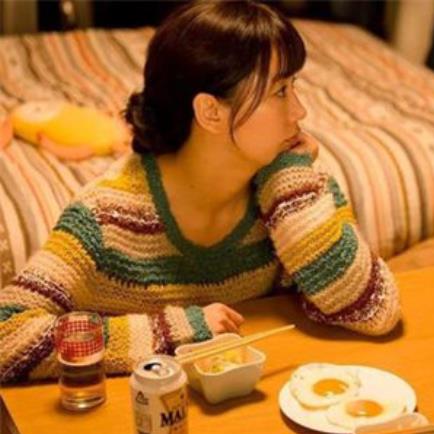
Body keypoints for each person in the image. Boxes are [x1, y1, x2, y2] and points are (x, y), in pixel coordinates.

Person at [0, 1, 400, 384]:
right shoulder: (105, 217)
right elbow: (7, 335)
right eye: (280, 92)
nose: (300, 111)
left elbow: (374, 310)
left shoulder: (294, 189)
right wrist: (172, 330)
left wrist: (288, 182)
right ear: (210, 112)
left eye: (294, 87)